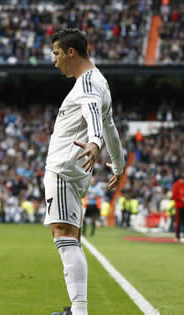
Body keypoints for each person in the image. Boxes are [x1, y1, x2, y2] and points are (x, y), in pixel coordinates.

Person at [43, 29, 125, 315]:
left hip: (64, 168)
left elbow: (93, 113)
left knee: (62, 235)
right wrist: (119, 162)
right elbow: (110, 125)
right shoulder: (99, 80)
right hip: (76, 171)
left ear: (70, 52)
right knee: (71, 236)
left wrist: (94, 141)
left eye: (55, 53)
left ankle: (79, 311)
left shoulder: (87, 84)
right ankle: (77, 309)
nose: (54, 61)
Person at [172, 172, 184, 242]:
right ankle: (177, 236)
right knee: (178, 221)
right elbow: (174, 196)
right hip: (179, 206)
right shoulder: (176, 185)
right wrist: (182, 199)